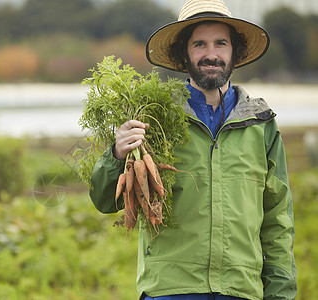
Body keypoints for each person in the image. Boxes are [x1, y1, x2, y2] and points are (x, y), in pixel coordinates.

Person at [88, 0, 297, 299]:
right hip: (171, 291)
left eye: (220, 44)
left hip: (240, 290)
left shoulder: (261, 125)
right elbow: (105, 200)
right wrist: (117, 154)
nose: (210, 55)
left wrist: (281, 294)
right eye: (199, 44)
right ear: (183, 54)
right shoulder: (153, 120)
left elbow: (278, 221)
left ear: (233, 52)